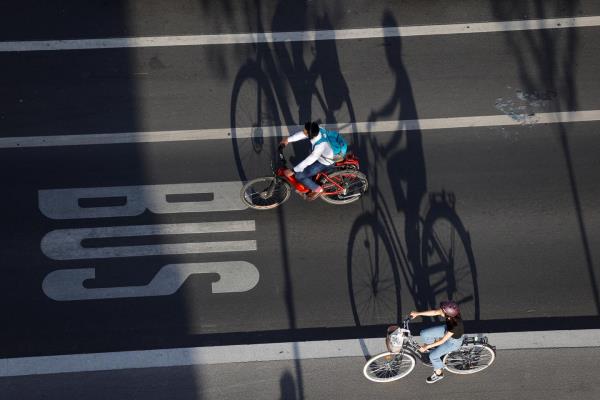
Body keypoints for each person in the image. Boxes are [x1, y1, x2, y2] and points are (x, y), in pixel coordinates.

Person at [409, 300, 464, 384]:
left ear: (447, 313)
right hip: (447, 330)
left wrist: (427, 347)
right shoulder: (451, 315)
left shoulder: (454, 324)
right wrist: (418, 313)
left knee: (433, 356)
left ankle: (439, 374)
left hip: (453, 342)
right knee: (424, 333)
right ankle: (435, 350)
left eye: (442, 310)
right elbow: (435, 312)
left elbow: (442, 340)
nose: (440, 310)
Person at [279, 121, 335, 200]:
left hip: (325, 162)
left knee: (299, 176)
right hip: (325, 154)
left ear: (311, 135)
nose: (303, 132)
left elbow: (309, 160)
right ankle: (311, 183)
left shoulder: (319, 146)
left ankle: (318, 190)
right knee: (304, 170)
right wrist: (288, 140)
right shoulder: (318, 130)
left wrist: (293, 170)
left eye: (306, 131)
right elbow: (303, 134)